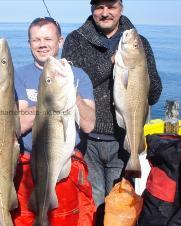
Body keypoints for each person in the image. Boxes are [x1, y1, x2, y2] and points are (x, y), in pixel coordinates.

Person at [61, 0, 162, 224]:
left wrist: (141, 74)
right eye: (99, 7)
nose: (105, 13)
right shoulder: (75, 40)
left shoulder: (139, 42)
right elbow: (73, 83)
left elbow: (154, 94)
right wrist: (111, 62)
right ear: (91, 9)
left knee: (122, 210)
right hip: (85, 142)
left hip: (122, 141)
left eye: (111, 6)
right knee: (92, 208)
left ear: (121, 8)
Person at [11, 17, 96, 226]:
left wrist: (69, 94)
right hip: (28, 164)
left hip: (66, 163)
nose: (42, 44)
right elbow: (18, 126)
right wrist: (50, 97)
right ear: (29, 43)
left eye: (48, 38)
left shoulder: (79, 76)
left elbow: (88, 125)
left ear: (60, 41)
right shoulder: (18, 75)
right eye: (36, 39)